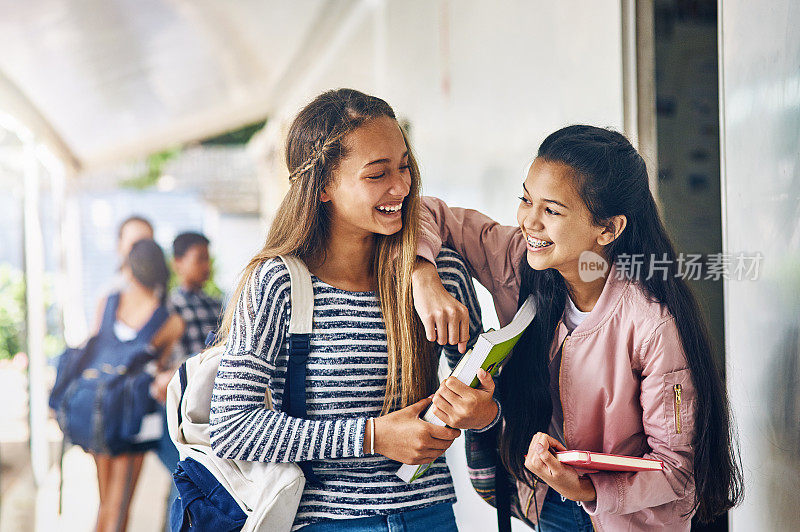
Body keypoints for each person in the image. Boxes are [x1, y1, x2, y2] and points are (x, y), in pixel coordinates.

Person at [411, 125, 743, 530]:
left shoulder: (652, 324)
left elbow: (674, 470)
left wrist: (587, 489)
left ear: (608, 229)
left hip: (627, 519)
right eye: (525, 199)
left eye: (551, 211)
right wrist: (423, 274)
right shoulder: (517, 258)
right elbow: (426, 211)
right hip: (548, 505)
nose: (528, 222)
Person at [208, 89, 493, 531]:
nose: (401, 187)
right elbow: (232, 427)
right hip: (326, 522)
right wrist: (373, 436)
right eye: (377, 174)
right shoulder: (278, 284)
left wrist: (484, 413)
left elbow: (493, 401)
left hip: (431, 516)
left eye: (404, 167)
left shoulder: (441, 275)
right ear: (322, 185)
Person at [91, 239, 184, 532]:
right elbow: (155, 369)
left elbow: (94, 351)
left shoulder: (108, 302)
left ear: (129, 269)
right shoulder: (170, 321)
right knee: (120, 505)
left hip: (98, 410)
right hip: (131, 414)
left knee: (105, 503)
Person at [152, 231, 224, 530]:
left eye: (208, 258)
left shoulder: (216, 302)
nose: (206, 266)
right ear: (178, 263)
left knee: (199, 476)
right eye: (199, 259)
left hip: (210, 405)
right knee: (183, 476)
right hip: (178, 405)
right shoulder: (167, 307)